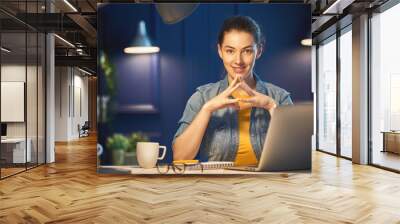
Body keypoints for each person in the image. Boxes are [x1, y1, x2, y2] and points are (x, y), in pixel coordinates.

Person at [172, 16, 293, 166]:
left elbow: (294, 156)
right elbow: (180, 156)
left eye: (247, 51)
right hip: (219, 186)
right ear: (220, 51)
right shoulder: (202, 97)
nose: (238, 61)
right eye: (230, 51)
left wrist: (271, 106)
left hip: (268, 184)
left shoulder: (279, 97)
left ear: (259, 51)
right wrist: (207, 109)